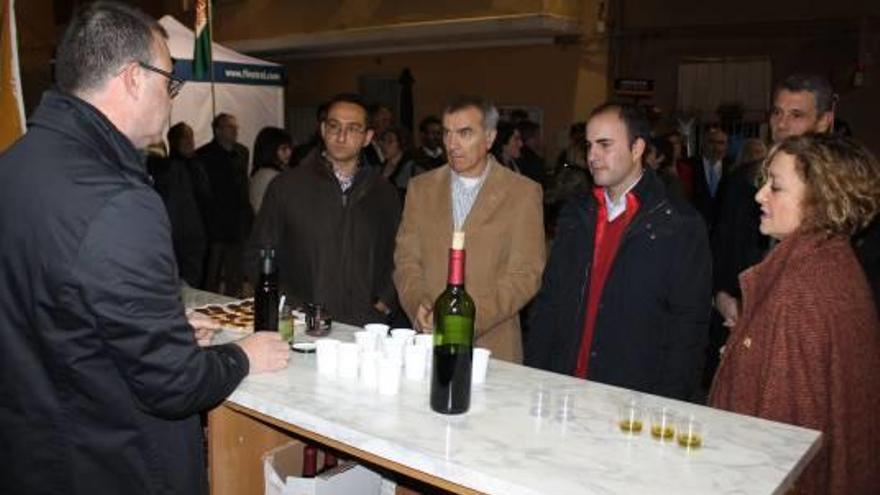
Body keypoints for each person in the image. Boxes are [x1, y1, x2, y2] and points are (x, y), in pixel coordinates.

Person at [0, 3, 289, 494]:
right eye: (169, 82)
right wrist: (243, 356)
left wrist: (160, 326)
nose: (171, 99)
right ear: (134, 78)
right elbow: (172, 384)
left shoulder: (14, 166)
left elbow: (48, 309)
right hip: (111, 464)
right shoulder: (119, 201)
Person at [710, 134, 880, 495]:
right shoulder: (834, 261)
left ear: (820, 199)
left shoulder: (799, 290)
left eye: (776, 186)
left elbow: (783, 440)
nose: (760, 195)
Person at [525, 103, 711, 401]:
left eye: (605, 145)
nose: (592, 156)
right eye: (588, 145)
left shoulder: (678, 224)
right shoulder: (577, 214)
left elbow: (688, 326)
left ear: (637, 148)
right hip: (564, 388)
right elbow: (549, 302)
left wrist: (669, 402)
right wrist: (534, 372)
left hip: (634, 396)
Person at [394, 96, 545, 363]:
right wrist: (418, 305)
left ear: (489, 138)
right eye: (447, 133)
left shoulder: (521, 193)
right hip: (427, 343)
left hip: (492, 345)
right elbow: (406, 259)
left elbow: (525, 274)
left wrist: (467, 320)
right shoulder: (421, 188)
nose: (452, 144)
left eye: (464, 133)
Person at [248, 94, 401, 326]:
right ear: (322, 129)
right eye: (334, 126)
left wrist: (385, 300)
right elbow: (259, 254)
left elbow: (401, 254)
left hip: (366, 326)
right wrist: (287, 306)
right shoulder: (287, 187)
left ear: (368, 137)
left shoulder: (384, 193)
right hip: (302, 324)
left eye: (353, 129)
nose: (341, 136)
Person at [149, 122, 212, 288]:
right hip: (185, 235)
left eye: (190, 137)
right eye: (185, 138)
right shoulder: (173, 169)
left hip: (196, 231)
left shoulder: (196, 164)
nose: (190, 142)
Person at [198, 112, 253, 296]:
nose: (235, 131)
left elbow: (244, 186)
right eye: (230, 127)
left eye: (236, 128)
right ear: (218, 130)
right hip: (215, 222)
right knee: (212, 273)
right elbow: (203, 193)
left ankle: (233, 303)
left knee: (235, 272)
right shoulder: (204, 155)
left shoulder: (242, 152)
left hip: (238, 221)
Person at [690, 126, 731, 230]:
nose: (716, 147)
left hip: (723, 228)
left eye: (721, 143)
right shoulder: (690, 165)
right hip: (695, 225)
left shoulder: (732, 168)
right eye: (711, 142)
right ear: (703, 144)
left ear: (727, 146)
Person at [249, 126, 293, 214]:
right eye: (283, 149)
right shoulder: (270, 175)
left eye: (289, 148)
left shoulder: (262, 173)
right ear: (270, 150)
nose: (289, 152)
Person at [378, 126, 417, 199]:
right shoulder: (379, 168)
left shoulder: (412, 168)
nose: (384, 145)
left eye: (390, 141)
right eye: (383, 140)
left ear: (402, 143)